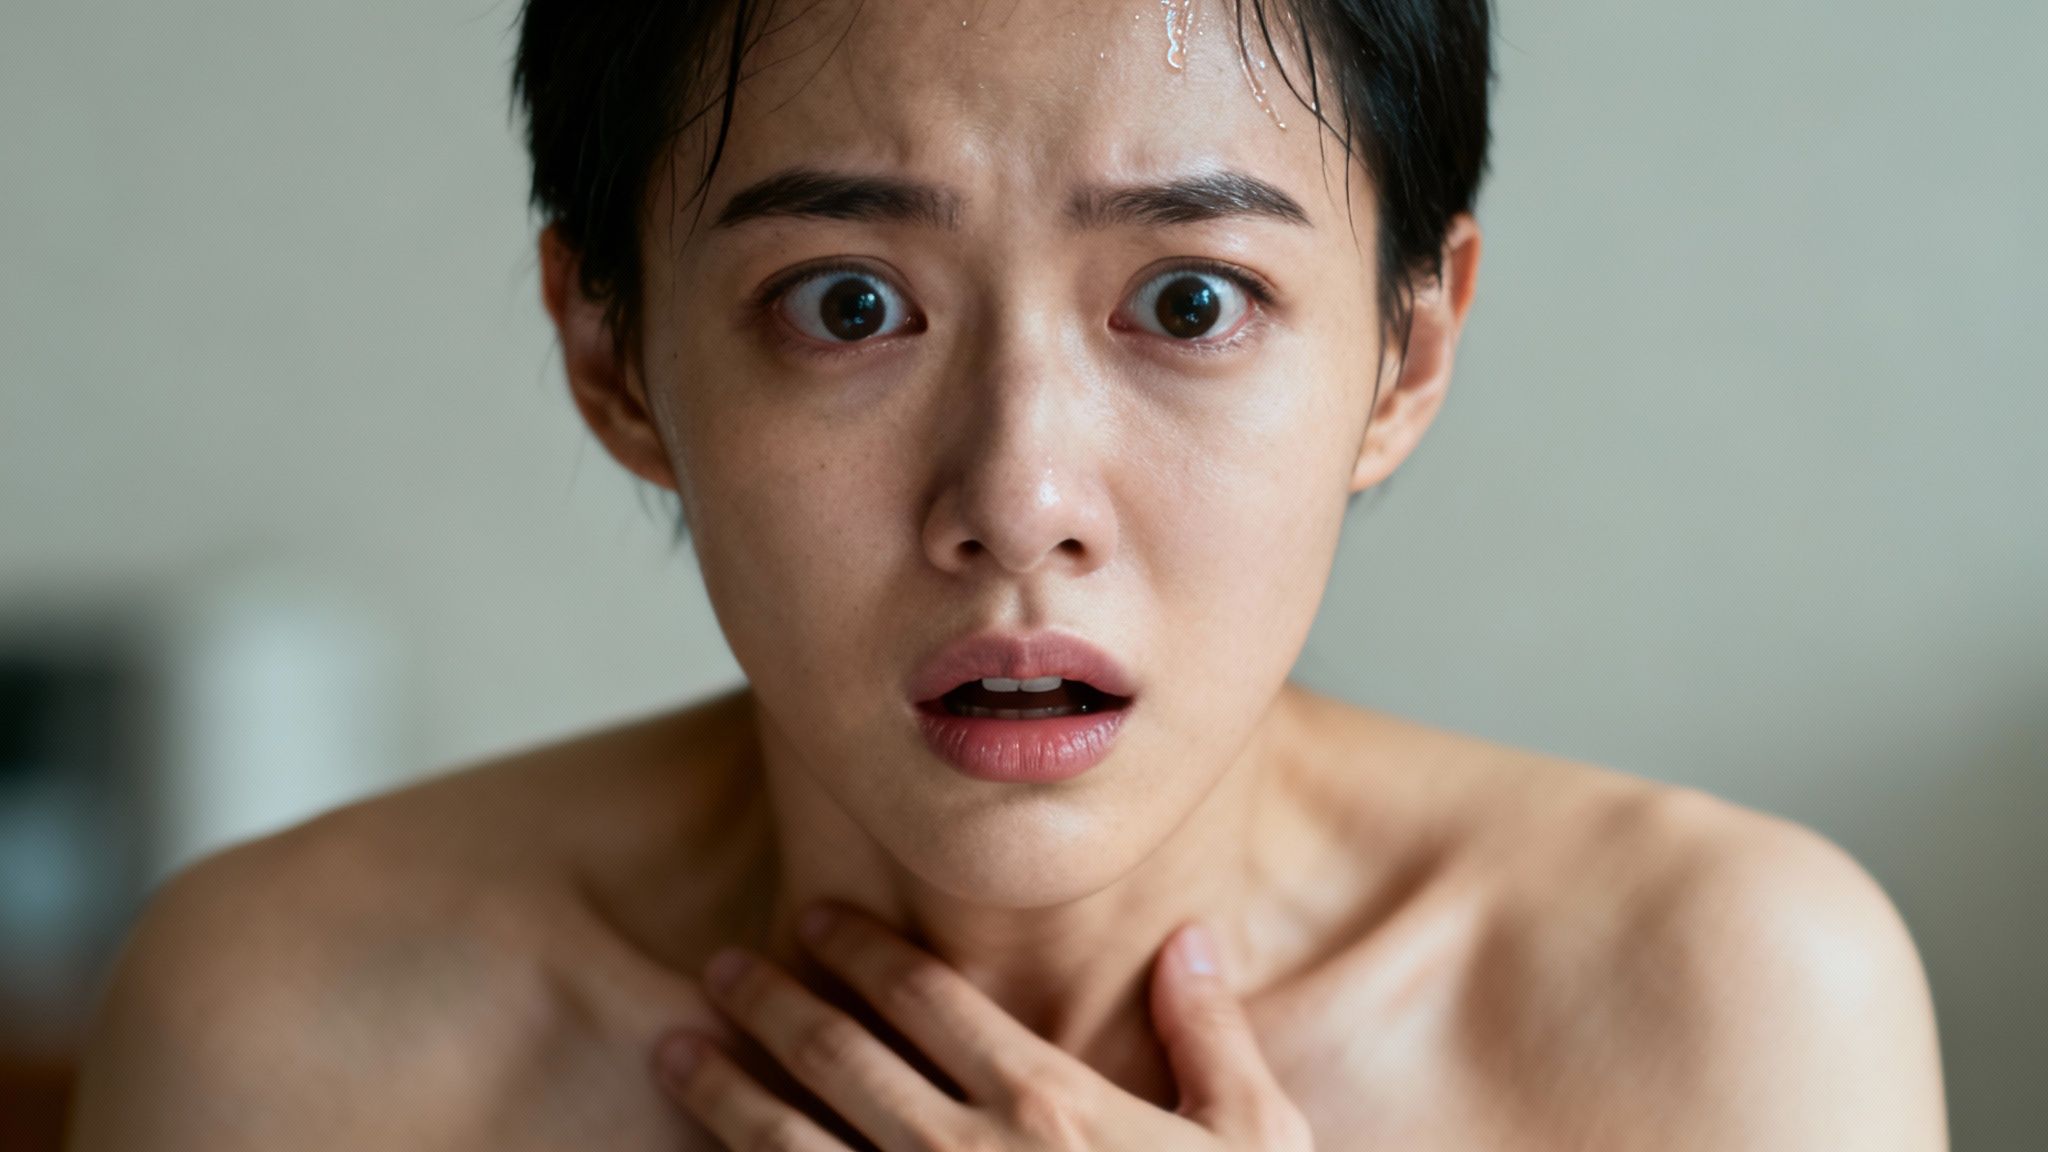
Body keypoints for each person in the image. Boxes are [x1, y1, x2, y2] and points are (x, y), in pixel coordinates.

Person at [68, 1, 1949, 1148]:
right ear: (614, 354)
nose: (1019, 500)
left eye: (1190, 303)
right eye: (848, 304)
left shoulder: (1718, 1009)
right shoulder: (291, 1034)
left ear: (1409, 348)